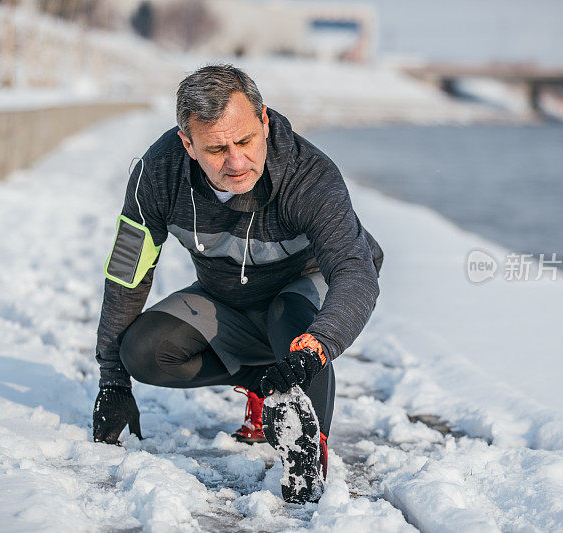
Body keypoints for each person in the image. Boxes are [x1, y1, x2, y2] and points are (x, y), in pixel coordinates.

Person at [92, 64, 383, 503]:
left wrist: (319, 345)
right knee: (143, 351)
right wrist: (112, 380)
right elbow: (127, 270)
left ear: (263, 121)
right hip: (226, 294)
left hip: (302, 290)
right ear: (188, 144)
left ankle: (308, 442)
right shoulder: (158, 174)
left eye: (245, 140)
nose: (236, 162)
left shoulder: (311, 176)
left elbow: (355, 270)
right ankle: (263, 383)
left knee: (292, 320)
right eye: (216, 148)